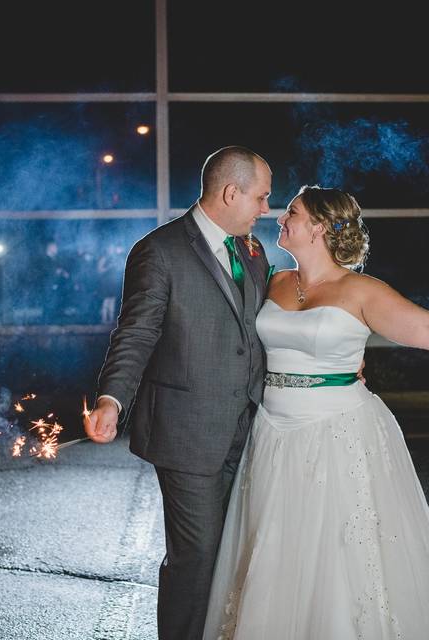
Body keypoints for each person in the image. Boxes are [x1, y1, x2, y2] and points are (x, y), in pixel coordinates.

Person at [203, 186, 429, 640]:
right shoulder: (273, 280)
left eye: (293, 212)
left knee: (341, 556)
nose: (280, 218)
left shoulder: (361, 289)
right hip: (273, 433)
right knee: (279, 550)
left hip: (338, 431)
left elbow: (426, 327)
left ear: (320, 227)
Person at [84, 146, 273, 639]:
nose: (266, 209)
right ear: (232, 193)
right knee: (198, 555)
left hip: (251, 427)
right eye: (261, 197)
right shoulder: (159, 250)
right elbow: (137, 333)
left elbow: (257, 332)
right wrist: (112, 399)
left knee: (237, 550)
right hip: (187, 433)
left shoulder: (253, 251)